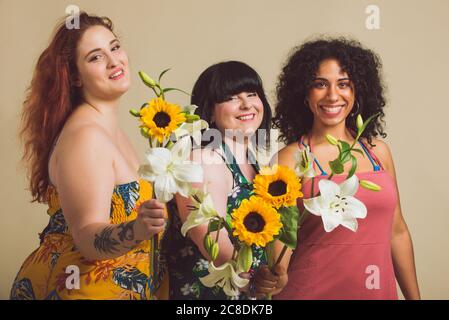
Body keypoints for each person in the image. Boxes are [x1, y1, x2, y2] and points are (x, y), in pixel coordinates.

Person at [10, 12, 167, 300]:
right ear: (75, 78)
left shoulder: (109, 128)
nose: (114, 61)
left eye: (115, 47)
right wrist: (137, 229)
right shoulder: (86, 136)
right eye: (95, 57)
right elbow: (86, 236)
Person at [267, 38, 420, 299]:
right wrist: (275, 274)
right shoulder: (289, 159)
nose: (332, 95)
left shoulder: (378, 153)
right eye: (319, 84)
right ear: (304, 94)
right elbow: (281, 242)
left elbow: (398, 232)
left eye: (343, 84)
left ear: (357, 91)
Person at [162, 61, 274, 299]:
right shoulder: (205, 158)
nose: (246, 104)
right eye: (231, 97)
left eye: (252, 94)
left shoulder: (253, 162)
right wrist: (256, 282)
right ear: (210, 111)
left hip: (246, 292)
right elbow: (212, 243)